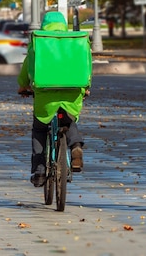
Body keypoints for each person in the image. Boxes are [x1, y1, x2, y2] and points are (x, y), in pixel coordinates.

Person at [17, 11, 90, 187]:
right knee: (68, 121)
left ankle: (40, 170)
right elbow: (87, 65)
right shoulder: (75, 42)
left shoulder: (39, 42)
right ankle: (75, 146)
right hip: (71, 95)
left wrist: (23, 86)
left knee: (40, 129)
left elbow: (28, 67)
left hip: (45, 98)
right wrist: (86, 87)